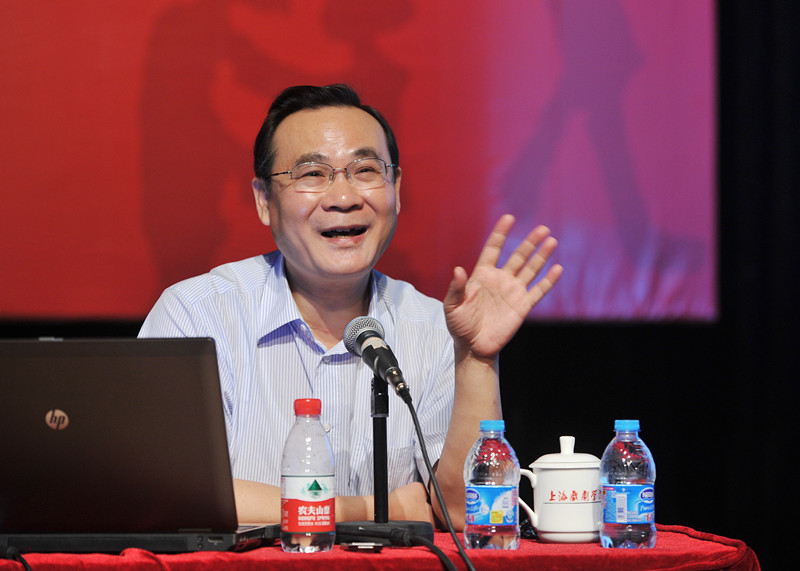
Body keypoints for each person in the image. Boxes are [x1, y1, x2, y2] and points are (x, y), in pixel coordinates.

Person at [139, 84, 562, 528]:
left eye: (365, 170)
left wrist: (476, 358)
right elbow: (164, 493)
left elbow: (461, 513)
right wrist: (374, 512)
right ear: (264, 200)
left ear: (396, 188)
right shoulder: (196, 315)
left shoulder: (434, 328)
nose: (344, 197)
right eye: (312, 174)